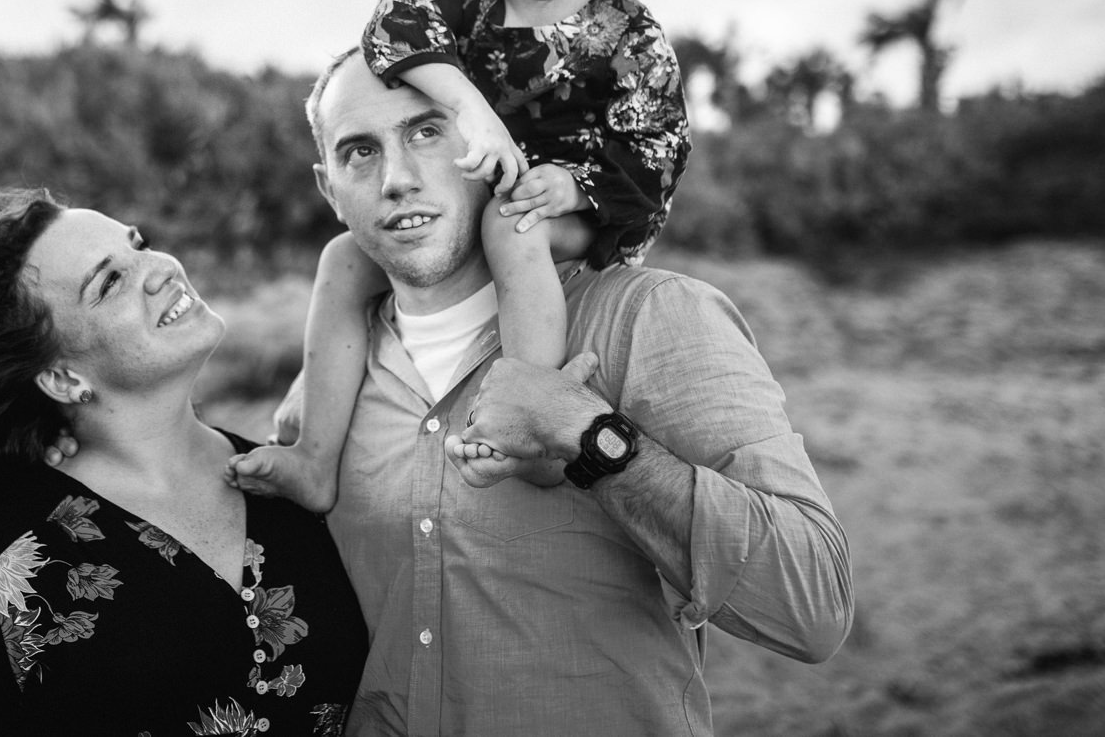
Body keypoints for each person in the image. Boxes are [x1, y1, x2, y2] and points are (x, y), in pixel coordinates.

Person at [292, 49, 852, 735]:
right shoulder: (328, 384)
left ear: (490, 138)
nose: (397, 179)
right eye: (359, 152)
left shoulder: (650, 317)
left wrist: (593, 440)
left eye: (426, 131)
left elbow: (813, 604)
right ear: (328, 188)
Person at [231, 0, 691, 511]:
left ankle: (529, 420)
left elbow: (657, 147)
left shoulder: (627, 30)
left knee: (514, 228)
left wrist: (570, 187)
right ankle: (315, 456)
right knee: (344, 259)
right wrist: (469, 108)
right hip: (478, 184)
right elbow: (392, 31)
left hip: (579, 203)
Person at [0, 188, 367, 737]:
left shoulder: (289, 480)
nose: (162, 268)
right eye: (110, 281)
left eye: (140, 245)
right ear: (63, 377)